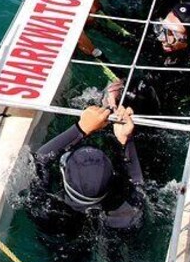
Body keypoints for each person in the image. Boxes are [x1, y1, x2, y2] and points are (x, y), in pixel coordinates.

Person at [28, 100, 144, 237]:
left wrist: (81, 128)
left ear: (63, 173)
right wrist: (125, 139)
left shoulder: (49, 213)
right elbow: (137, 184)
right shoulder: (126, 218)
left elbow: (39, 160)